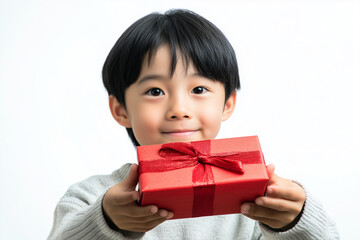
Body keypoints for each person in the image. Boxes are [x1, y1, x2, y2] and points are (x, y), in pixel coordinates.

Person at [48, 9, 339, 239]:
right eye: (155, 92)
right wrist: (105, 222)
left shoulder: (255, 199)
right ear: (121, 110)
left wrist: (296, 222)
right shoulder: (89, 197)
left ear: (227, 104)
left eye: (199, 90)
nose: (179, 109)